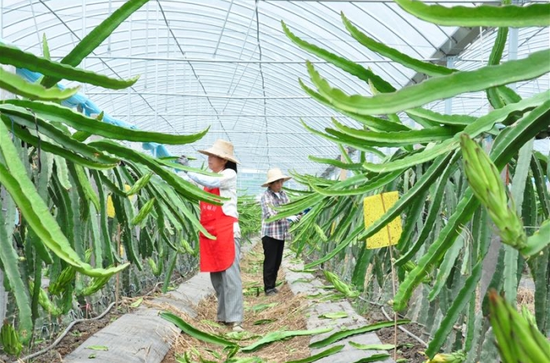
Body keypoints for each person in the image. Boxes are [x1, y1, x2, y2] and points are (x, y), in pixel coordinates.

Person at [176, 139, 244, 331]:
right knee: (217, 277)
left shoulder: (228, 174)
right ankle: (224, 317)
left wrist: (189, 170)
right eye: (209, 156)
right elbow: (189, 182)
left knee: (230, 276)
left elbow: (208, 181)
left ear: (224, 160)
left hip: (226, 232)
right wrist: (174, 168)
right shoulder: (206, 178)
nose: (209, 159)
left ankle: (236, 319)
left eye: (213, 156)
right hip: (211, 232)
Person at [259, 168, 299, 296]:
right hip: (270, 234)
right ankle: (268, 288)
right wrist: (288, 217)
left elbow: (290, 208)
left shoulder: (283, 195)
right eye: (276, 182)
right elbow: (271, 215)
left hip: (281, 233)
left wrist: (297, 214)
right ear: (270, 184)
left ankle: (273, 285)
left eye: (280, 182)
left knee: (277, 261)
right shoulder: (266, 196)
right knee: (270, 261)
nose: (279, 185)